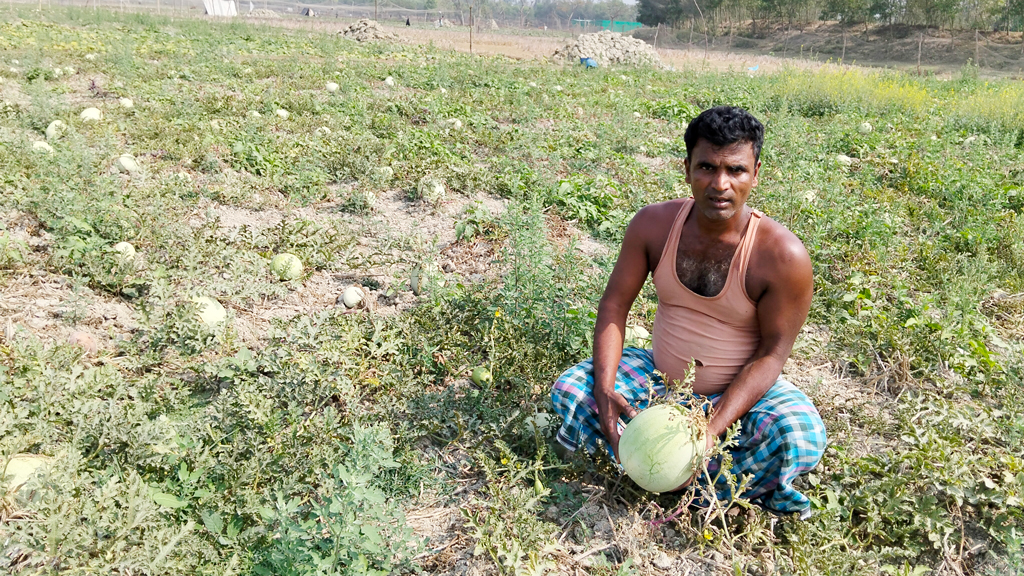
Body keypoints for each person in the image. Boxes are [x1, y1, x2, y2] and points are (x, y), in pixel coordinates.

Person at [551, 106, 826, 518]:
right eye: (707, 167)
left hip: (734, 397)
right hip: (657, 380)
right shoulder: (653, 225)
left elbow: (772, 355)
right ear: (687, 169)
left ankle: (656, 465)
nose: (720, 184)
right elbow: (614, 305)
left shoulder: (782, 256)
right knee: (573, 389)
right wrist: (606, 390)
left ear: (756, 174)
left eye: (736, 170)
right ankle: (699, 480)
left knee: (796, 434)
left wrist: (708, 431)